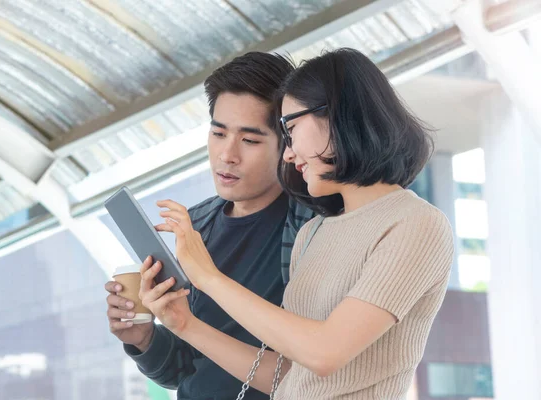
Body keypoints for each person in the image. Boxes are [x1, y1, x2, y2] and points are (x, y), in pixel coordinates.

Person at [144, 48, 454, 399]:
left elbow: (324, 353)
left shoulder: (415, 224)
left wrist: (207, 277)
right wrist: (186, 325)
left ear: (337, 119)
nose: (288, 154)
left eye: (290, 130)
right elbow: (288, 376)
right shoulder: (312, 232)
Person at [104, 51, 315, 400]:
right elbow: (189, 367)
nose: (227, 154)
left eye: (249, 140)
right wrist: (144, 340)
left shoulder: (310, 227)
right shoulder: (197, 223)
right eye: (218, 133)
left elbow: (310, 373)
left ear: (286, 145)